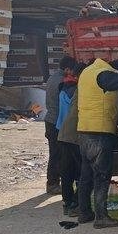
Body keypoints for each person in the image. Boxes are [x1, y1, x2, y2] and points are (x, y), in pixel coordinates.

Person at [76, 58, 118, 228]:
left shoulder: (87, 72)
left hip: (84, 131)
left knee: (86, 175)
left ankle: (84, 213)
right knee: (102, 176)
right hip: (100, 132)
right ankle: (101, 217)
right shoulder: (103, 75)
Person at [55, 58, 81, 215]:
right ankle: (77, 203)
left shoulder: (63, 87)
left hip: (62, 132)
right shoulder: (76, 90)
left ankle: (68, 202)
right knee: (82, 171)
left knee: (66, 170)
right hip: (74, 134)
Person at [44, 57, 69, 194]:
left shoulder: (52, 77)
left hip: (50, 120)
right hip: (56, 122)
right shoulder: (61, 81)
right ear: (66, 69)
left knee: (54, 153)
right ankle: (53, 183)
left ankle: (53, 182)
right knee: (57, 154)